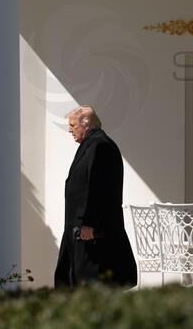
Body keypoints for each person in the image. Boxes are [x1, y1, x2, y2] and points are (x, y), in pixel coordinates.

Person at [54, 105, 137, 288]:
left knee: (91, 282)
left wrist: (89, 223)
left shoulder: (100, 146)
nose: (70, 130)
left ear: (86, 125)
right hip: (80, 231)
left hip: (91, 233)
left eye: (73, 125)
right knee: (75, 280)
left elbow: (98, 187)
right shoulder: (91, 144)